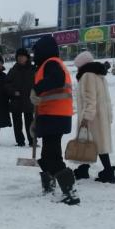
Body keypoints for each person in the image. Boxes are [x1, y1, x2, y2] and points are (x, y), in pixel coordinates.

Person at [31, 35, 80, 205]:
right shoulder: (48, 65)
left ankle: (70, 192)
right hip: (51, 116)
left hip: (54, 116)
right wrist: (35, 121)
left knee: (52, 157)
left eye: (36, 52)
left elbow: (56, 80)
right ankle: (49, 186)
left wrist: (36, 88)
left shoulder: (52, 63)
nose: (34, 56)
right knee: (47, 155)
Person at [72, 52, 115, 184]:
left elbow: (90, 100)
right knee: (94, 144)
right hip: (101, 116)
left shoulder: (87, 76)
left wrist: (86, 117)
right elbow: (107, 99)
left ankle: (107, 172)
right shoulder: (99, 75)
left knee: (89, 143)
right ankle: (84, 169)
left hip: (93, 117)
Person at [5, 48, 35, 147]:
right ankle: (20, 141)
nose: (21, 59)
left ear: (27, 58)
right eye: (19, 57)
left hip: (29, 100)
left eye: (23, 57)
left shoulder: (33, 69)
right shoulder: (13, 70)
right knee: (17, 123)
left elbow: (38, 84)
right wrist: (13, 92)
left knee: (30, 123)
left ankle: (32, 141)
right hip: (16, 101)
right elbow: (6, 85)